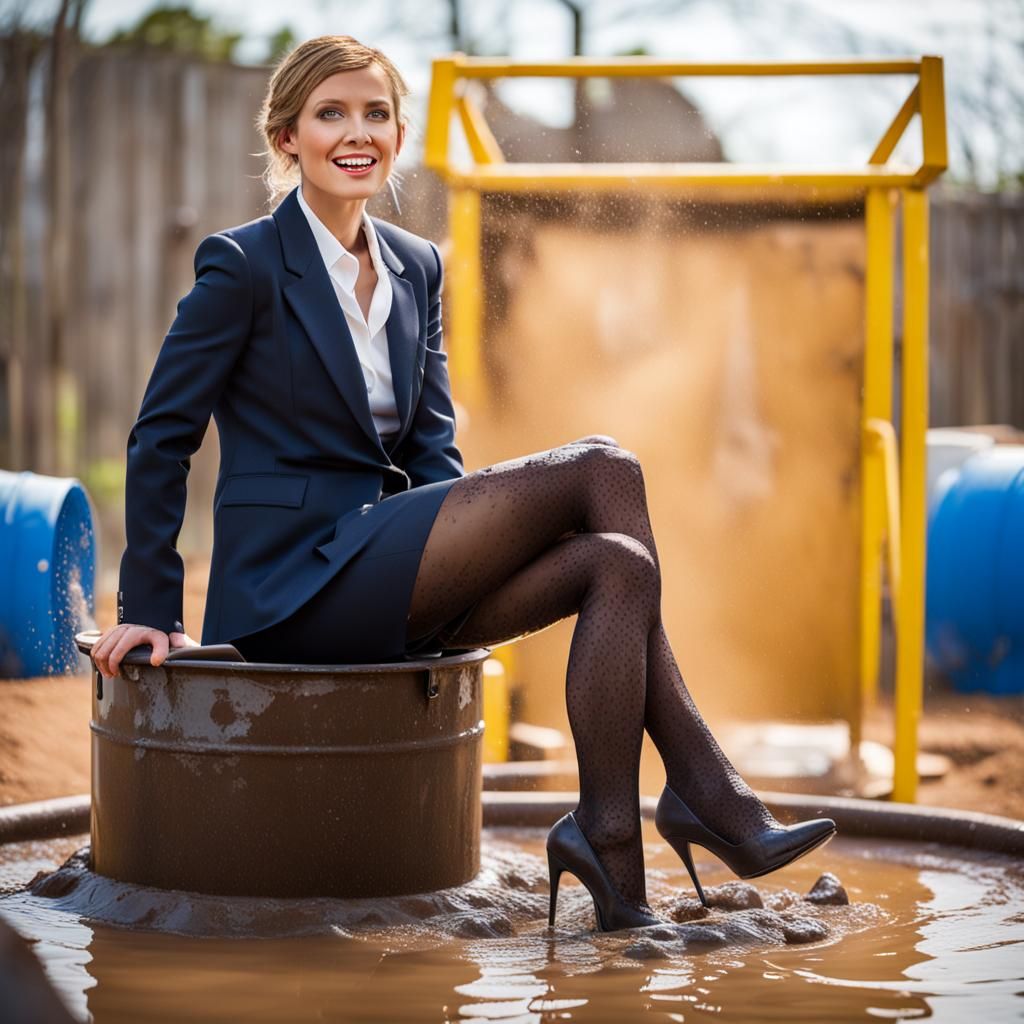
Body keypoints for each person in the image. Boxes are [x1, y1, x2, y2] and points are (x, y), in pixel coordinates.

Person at [91, 35, 835, 931]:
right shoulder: (244, 264)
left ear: (399, 136)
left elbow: (434, 453)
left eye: (376, 114)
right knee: (608, 466)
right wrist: (151, 604)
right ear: (287, 138)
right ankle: (706, 790)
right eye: (332, 114)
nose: (357, 132)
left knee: (620, 567)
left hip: (389, 569)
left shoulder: (418, 266)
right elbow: (161, 434)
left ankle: (610, 838)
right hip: (290, 586)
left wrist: (472, 556)